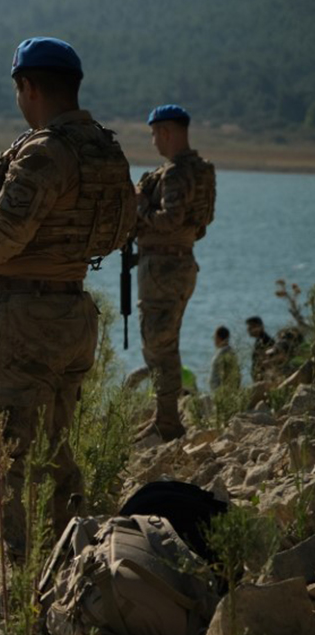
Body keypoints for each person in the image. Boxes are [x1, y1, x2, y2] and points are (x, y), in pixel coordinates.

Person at [0, 37, 136, 557]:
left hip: (24, 316)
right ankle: (67, 562)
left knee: (0, 447)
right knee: (56, 446)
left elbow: (4, 234)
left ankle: (15, 570)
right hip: (75, 310)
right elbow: (120, 232)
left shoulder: (46, 150)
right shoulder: (105, 148)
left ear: (27, 86)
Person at [133, 104, 216, 443]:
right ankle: (164, 416)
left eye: (155, 134)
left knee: (157, 344)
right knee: (166, 342)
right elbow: (201, 223)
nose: (154, 142)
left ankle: (167, 422)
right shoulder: (202, 170)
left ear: (166, 131)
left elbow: (171, 219)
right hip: (182, 263)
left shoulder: (175, 173)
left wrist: (138, 203)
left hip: (163, 266)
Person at [209, 326, 241, 393]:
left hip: (221, 392)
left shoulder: (224, 353)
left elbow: (226, 374)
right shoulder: (229, 352)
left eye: (214, 338)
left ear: (218, 338)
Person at [246, 316, 276, 382]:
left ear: (258, 327)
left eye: (250, 328)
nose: (248, 330)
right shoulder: (260, 340)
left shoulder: (265, 341)